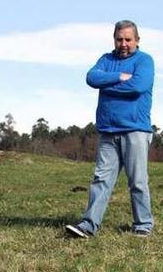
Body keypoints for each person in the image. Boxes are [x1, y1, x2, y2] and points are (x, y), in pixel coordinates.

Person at [66, 20, 155, 238]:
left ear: (137, 40)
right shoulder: (106, 60)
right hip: (108, 130)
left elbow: (137, 87)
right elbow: (91, 77)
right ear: (114, 39)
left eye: (128, 39)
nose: (123, 44)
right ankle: (88, 225)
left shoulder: (144, 61)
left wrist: (106, 86)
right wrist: (117, 77)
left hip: (135, 129)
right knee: (101, 179)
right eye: (119, 39)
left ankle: (143, 224)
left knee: (137, 180)